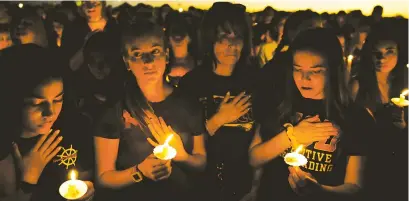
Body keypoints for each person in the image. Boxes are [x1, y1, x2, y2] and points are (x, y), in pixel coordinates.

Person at [249, 28, 375, 201]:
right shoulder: (279, 104)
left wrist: (320, 191)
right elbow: (253, 158)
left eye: (316, 71)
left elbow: (355, 185)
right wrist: (292, 136)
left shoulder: (355, 117)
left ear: (332, 70)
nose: (304, 78)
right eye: (297, 69)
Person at [93, 20, 206, 201]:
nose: (148, 62)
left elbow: (201, 162)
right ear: (127, 61)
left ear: (167, 55)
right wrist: (139, 172)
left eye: (154, 52)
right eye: (137, 54)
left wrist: (182, 155)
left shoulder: (189, 102)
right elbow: (103, 178)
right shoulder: (114, 110)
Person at [178, 3, 259, 201]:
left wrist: (256, 188)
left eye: (237, 37)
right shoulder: (192, 83)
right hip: (200, 187)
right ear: (210, 39)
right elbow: (181, 147)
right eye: (223, 37)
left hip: (244, 187)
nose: (231, 46)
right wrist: (218, 119)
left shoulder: (255, 81)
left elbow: (261, 137)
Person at [0, 44, 94, 201]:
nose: (50, 113)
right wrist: (28, 179)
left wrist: (87, 193)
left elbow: (86, 178)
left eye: (58, 99)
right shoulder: (5, 145)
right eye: (37, 103)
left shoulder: (74, 127)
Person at [352, 20, 408, 200]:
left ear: (400, 52)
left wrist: (404, 128)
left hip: (400, 166)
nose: (381, 58)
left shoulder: (405, 85)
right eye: (376, 53)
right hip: (368, 165)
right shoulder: (358, 86)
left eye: (389, 52)